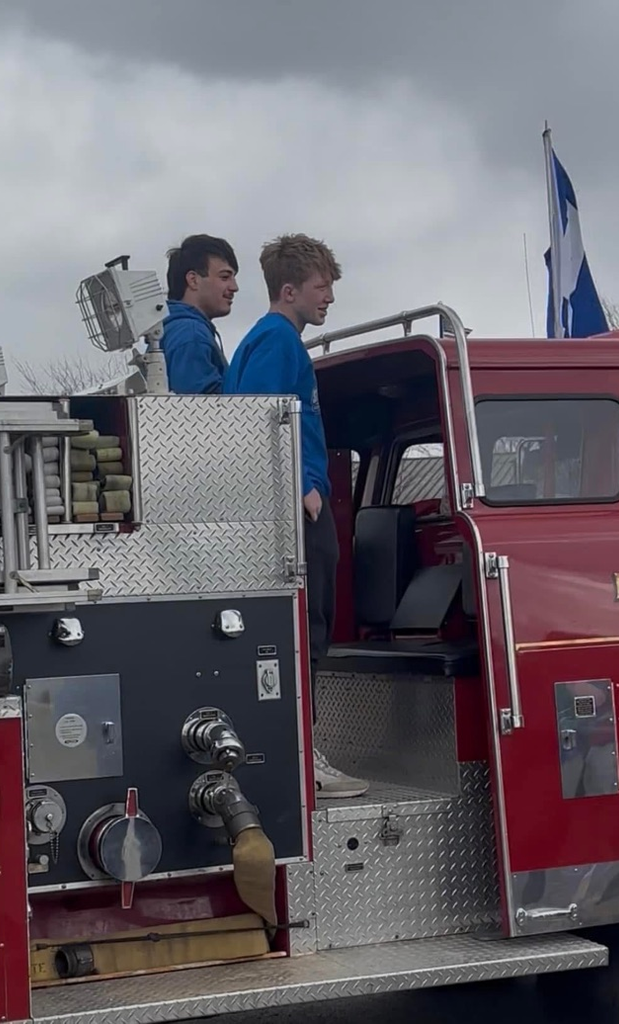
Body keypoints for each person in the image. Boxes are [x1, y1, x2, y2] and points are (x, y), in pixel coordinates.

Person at [224, 233, 369, 800]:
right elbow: (258, 420)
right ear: (289, 291)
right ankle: (302, 756)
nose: (328, 298)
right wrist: (304, 488)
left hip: (288, 510)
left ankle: (293, 750)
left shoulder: (268, 340)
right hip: (295, 513)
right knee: (304, 633)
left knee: (299, 633)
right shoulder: (277, 341)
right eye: (320, 287)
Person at [160, 234, 239, 394]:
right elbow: (204, 407)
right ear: (193, 280)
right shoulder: (191, 334)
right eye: (225, 277)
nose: (234, 287)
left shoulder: (171, 330)